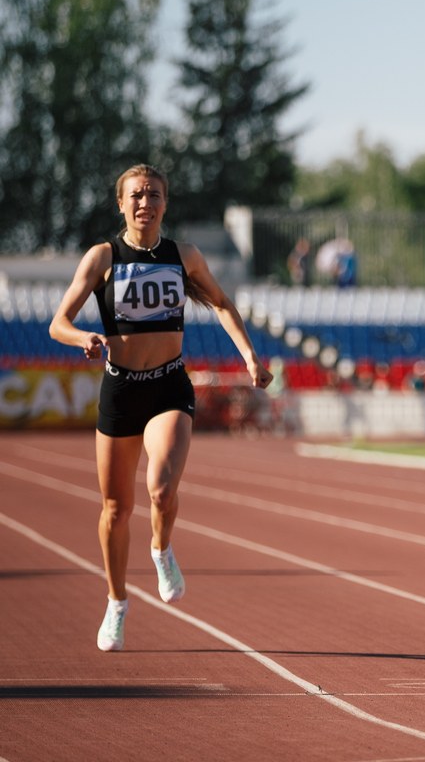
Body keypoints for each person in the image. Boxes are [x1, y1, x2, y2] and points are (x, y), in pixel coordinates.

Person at [49, 164, 272, 651]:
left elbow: (221, 303)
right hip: (121, 391)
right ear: (121, 204)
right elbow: (57, 323)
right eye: (136, 195)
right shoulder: (102, 257)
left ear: (165, 204)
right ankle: (116, 602)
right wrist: (82, 336)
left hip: (169, 385)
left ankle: (161, 547)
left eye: (153, 194)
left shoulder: (183, 256)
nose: (144, 202)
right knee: (115, 507)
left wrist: (251, 356)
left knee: (161, 489)